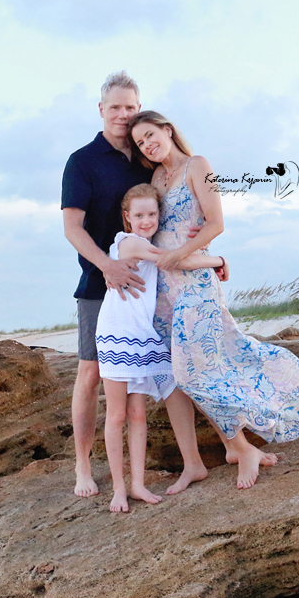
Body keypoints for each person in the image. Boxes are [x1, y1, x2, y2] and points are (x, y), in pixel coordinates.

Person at [132, 109, 299, 490]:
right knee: (196, 370)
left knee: (197, 371)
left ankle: (246, 444)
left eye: (151, 135)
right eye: (141, 142)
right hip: (164, 290)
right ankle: (231, 447)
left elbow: (216, 222)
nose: (148, 144)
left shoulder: (197, 164)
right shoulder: (156, 177)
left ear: (167, 130)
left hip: (195, 284)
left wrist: (190, 252)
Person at [96, 183, 226, 513]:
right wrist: (218, 259)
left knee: (138, 413)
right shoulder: (130, 242)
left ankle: (138, 484)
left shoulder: (145, 241)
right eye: (139, 215)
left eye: (152, 214)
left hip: (142, 334)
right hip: (117, 334)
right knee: (117, 415)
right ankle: (119, 490)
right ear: (127, 217)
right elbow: (174, 261)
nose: (146, 220)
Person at [60, 72, 155, 498]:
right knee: (91, 372)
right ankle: (83, 465)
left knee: (154, 372)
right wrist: (106, 267)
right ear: (101, 110)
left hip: (148, 284)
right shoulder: (82, 161)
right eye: (115, 107)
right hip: (100, 283)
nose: (123, 114)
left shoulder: (147, 157)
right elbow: (72, 228)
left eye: (130, 107)